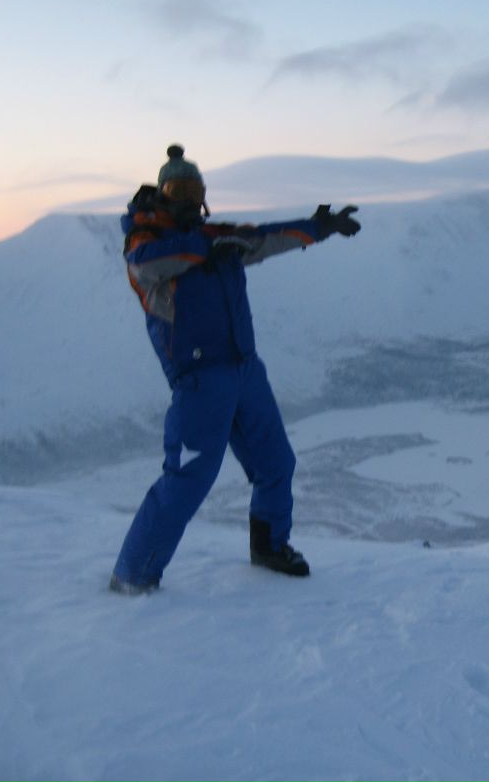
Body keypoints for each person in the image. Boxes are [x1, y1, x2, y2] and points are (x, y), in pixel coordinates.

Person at [109, 144, 360, 594]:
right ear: (160, 193)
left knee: (276, 463)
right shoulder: (144, 244)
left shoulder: (217, 237)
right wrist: (210, 245)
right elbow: (148, 265)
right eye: (178, 189)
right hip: (200, 380)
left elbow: (264, 237)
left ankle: (269, 546)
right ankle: (133, 575)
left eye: (195, 189)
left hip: (246, 370)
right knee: (187, 480)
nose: (189, 199)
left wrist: (318, 227)